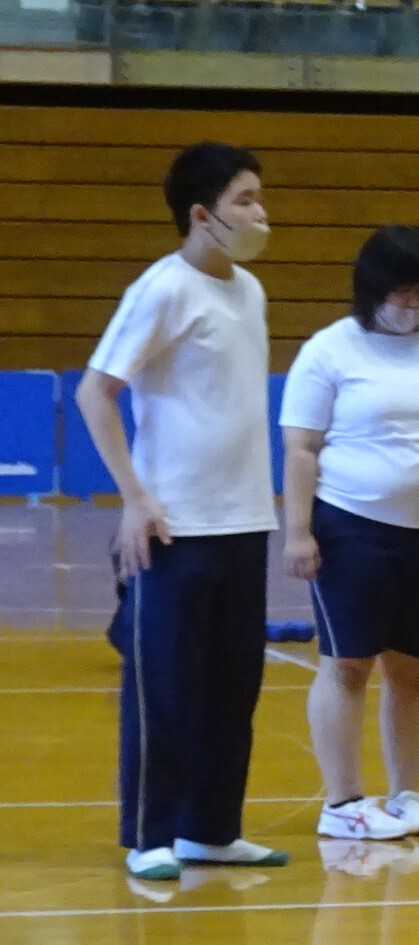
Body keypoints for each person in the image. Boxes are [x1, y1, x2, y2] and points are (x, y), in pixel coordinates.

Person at [75, 142, 288, 882]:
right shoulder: (161, 290)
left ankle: (211, 830)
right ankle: (150, 833)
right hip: (174, 530)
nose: (261, 212)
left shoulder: (252, 292)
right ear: (202, 215)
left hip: (244, 524)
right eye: (245, 200)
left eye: (261, 197)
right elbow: (95, 393)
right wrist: (136, 498)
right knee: (162, 689)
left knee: (233, 690)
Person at [280, 225, 419, 842]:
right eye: (400, 294)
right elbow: (302, 448)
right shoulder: (330, 351)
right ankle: (343, 802)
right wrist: (298, 532)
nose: (411, 307)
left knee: (415, 670)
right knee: (348, 664)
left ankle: (406, 793)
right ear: (371, 292)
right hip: (352, 531)